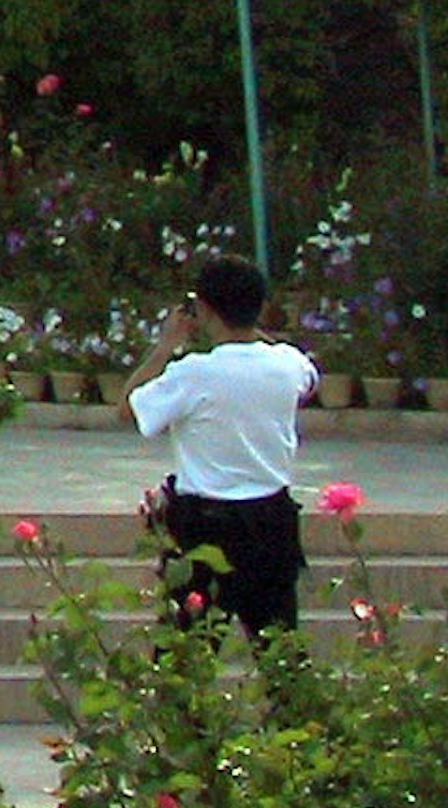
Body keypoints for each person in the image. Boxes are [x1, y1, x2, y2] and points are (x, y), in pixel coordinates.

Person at [130, 253, 319, 637]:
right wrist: (250, 328)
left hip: (204, 526)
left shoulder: (193, 373)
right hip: (271, 524)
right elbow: (310, 381)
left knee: (183, 660)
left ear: (202, 309)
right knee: (280, 654)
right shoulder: (287, 363)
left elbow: (130, 405)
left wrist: (166, 345)